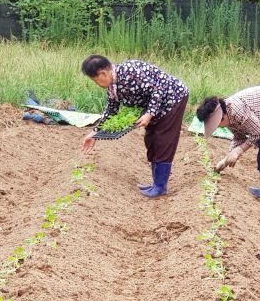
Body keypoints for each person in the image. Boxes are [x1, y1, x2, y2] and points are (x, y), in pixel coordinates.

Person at [80, 55, 189, 198]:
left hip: (173, 99)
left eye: (95, 80)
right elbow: (111, 110)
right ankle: (156, 183)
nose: (96, 84)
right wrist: (95, 133)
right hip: (157, 107)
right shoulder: (113, 85)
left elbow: (158, 88)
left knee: (163, 140)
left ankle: (160, 187)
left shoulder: (130, 72)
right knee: (151, 140)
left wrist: (149, 113)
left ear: (103, 73)